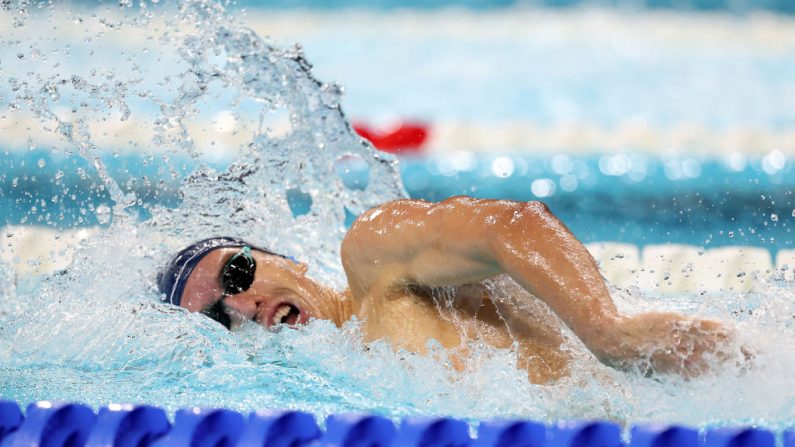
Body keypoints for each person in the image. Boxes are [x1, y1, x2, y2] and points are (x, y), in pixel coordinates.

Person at [158, 196, 733, 384]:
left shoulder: (372, 256)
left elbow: (512, 225)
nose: (240, 305)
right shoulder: (353, 375)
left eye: (235, 275)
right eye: (216, 318)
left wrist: (609, 333)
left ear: (286, 260)